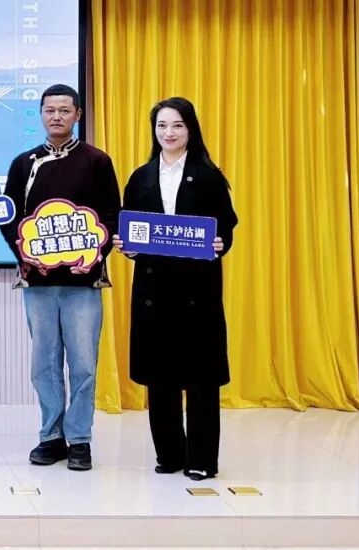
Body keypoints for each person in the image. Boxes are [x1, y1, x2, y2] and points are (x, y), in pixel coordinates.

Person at [112, 97, 238, 481]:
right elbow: (131, 228)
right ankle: (169, 454)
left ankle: (201, 458)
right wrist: (127, 246)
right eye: (162, 125)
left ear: (190, 130)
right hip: (154, 290)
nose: (169, 133)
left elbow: (225, 227)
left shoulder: (209, 175)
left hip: (196, 291)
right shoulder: (141, 177)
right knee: (160, 377)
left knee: (201, 379)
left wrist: (221, 243)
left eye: (177, 125)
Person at [0, 83, 120, 472]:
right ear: (40, 114)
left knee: (83, 363)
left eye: (64, 110)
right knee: (45, 363)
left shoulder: (97, 161)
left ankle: (80, 438)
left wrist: (94, 255)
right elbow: (10, 219)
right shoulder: (24, 164)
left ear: (78, 115)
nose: (57, 117)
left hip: (83, 282)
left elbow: (111, 218)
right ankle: (51, 435)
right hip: (38, 281)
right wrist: (26, 255)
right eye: (50, 110)